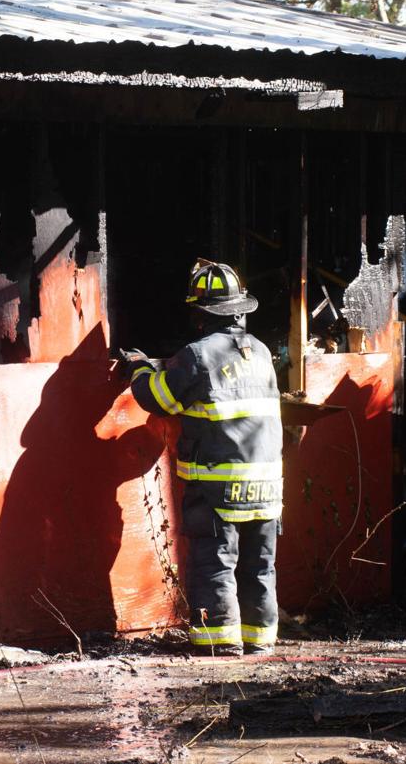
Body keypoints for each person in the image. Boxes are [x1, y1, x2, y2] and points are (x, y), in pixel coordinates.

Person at [123, 260, 283, 656]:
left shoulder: (198, 356)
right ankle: (260, 642)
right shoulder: (261, 353)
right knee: (260, 567)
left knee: (214, 564)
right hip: (267, 485)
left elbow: (157, 398)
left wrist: (140, 368)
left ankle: (219, 645)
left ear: (200, 314)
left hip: (218, 487)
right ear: (240, 308)